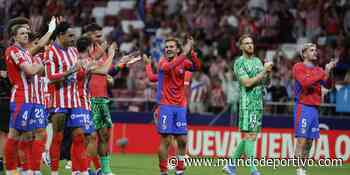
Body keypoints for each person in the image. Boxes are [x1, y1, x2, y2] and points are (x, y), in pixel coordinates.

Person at [224, 34, 272, 175]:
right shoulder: (239, 62)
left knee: (251, 136)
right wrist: (264, 71)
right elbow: (247, 83)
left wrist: (268, 73)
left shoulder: (257, 61)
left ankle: (231, 165)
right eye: (246, 43)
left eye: (251, 42)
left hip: (258, 103)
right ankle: (253, 170)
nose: (250, 45)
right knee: (250, 136)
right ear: (241, 46)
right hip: (247, 103)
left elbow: (266, 83)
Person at [155, 36, 201, 175]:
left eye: (171, 47)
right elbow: (170, 66)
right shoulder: (162, 62)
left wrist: (191, 53)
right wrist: (185, 52)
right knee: (166, 140)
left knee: (182, 140)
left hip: (180, 106)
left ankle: (180, 170)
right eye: (167, 47)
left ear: (177, 49)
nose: (168, 49)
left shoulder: (184, 61)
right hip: (166, 106)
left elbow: (197, 67)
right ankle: (163, 171)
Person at [4, 24, 45, 175]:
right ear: (14, 37)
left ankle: (27, 170)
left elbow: (37, 70)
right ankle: (10, 171)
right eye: (22, 33)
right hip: (21, 97)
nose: (26, 35)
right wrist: (38, 65)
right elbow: (31, 70)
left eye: (26, 33)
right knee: (14, 134)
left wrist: (37, 67)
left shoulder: (25, 52)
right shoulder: (13, 50)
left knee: (28, 135)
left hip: (31, 99)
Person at [292, 43, 336, 175]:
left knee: (310, 141)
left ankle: (303, 170)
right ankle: (298, 170)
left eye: (316, 50)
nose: (315, 52)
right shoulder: (298, 67)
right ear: (304, 54)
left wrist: (330, 71)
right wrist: (324, 72)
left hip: (314, 109)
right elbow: (305, 83)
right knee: (302, 139)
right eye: (311, 50)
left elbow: (328, 85)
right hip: (303, 106)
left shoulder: (319, 70)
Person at [45, 21, 81, 175]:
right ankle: (54, 172)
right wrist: (69, 72)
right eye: (70, 35)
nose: (74, 39)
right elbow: (50, 77)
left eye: (74, 35)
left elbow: (77, 72)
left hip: (74, 99)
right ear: (60, 35)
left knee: (79, 136)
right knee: (58, 138)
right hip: (58, 100)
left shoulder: (73, 51)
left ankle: (76, 170)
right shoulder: (51, 52)